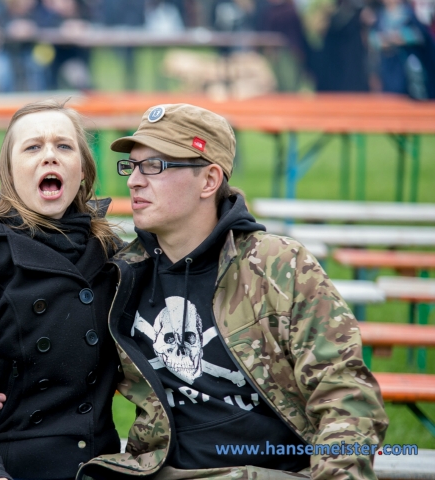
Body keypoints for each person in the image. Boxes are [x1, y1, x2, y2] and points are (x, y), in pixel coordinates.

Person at [74, 104, 389, 480]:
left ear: (209, 180)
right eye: (132, 166)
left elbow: (346, 395)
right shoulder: (122, 275)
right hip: (159, 472)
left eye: (154, 166)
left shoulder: (279, 267)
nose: (134, 181)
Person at [0, 99, 123, 480]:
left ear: (83, 170)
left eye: (64, 146)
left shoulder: (114, 259)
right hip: (2, 462)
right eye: (33, 147)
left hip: (94, 466)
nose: (49, 156)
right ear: (9, 171)